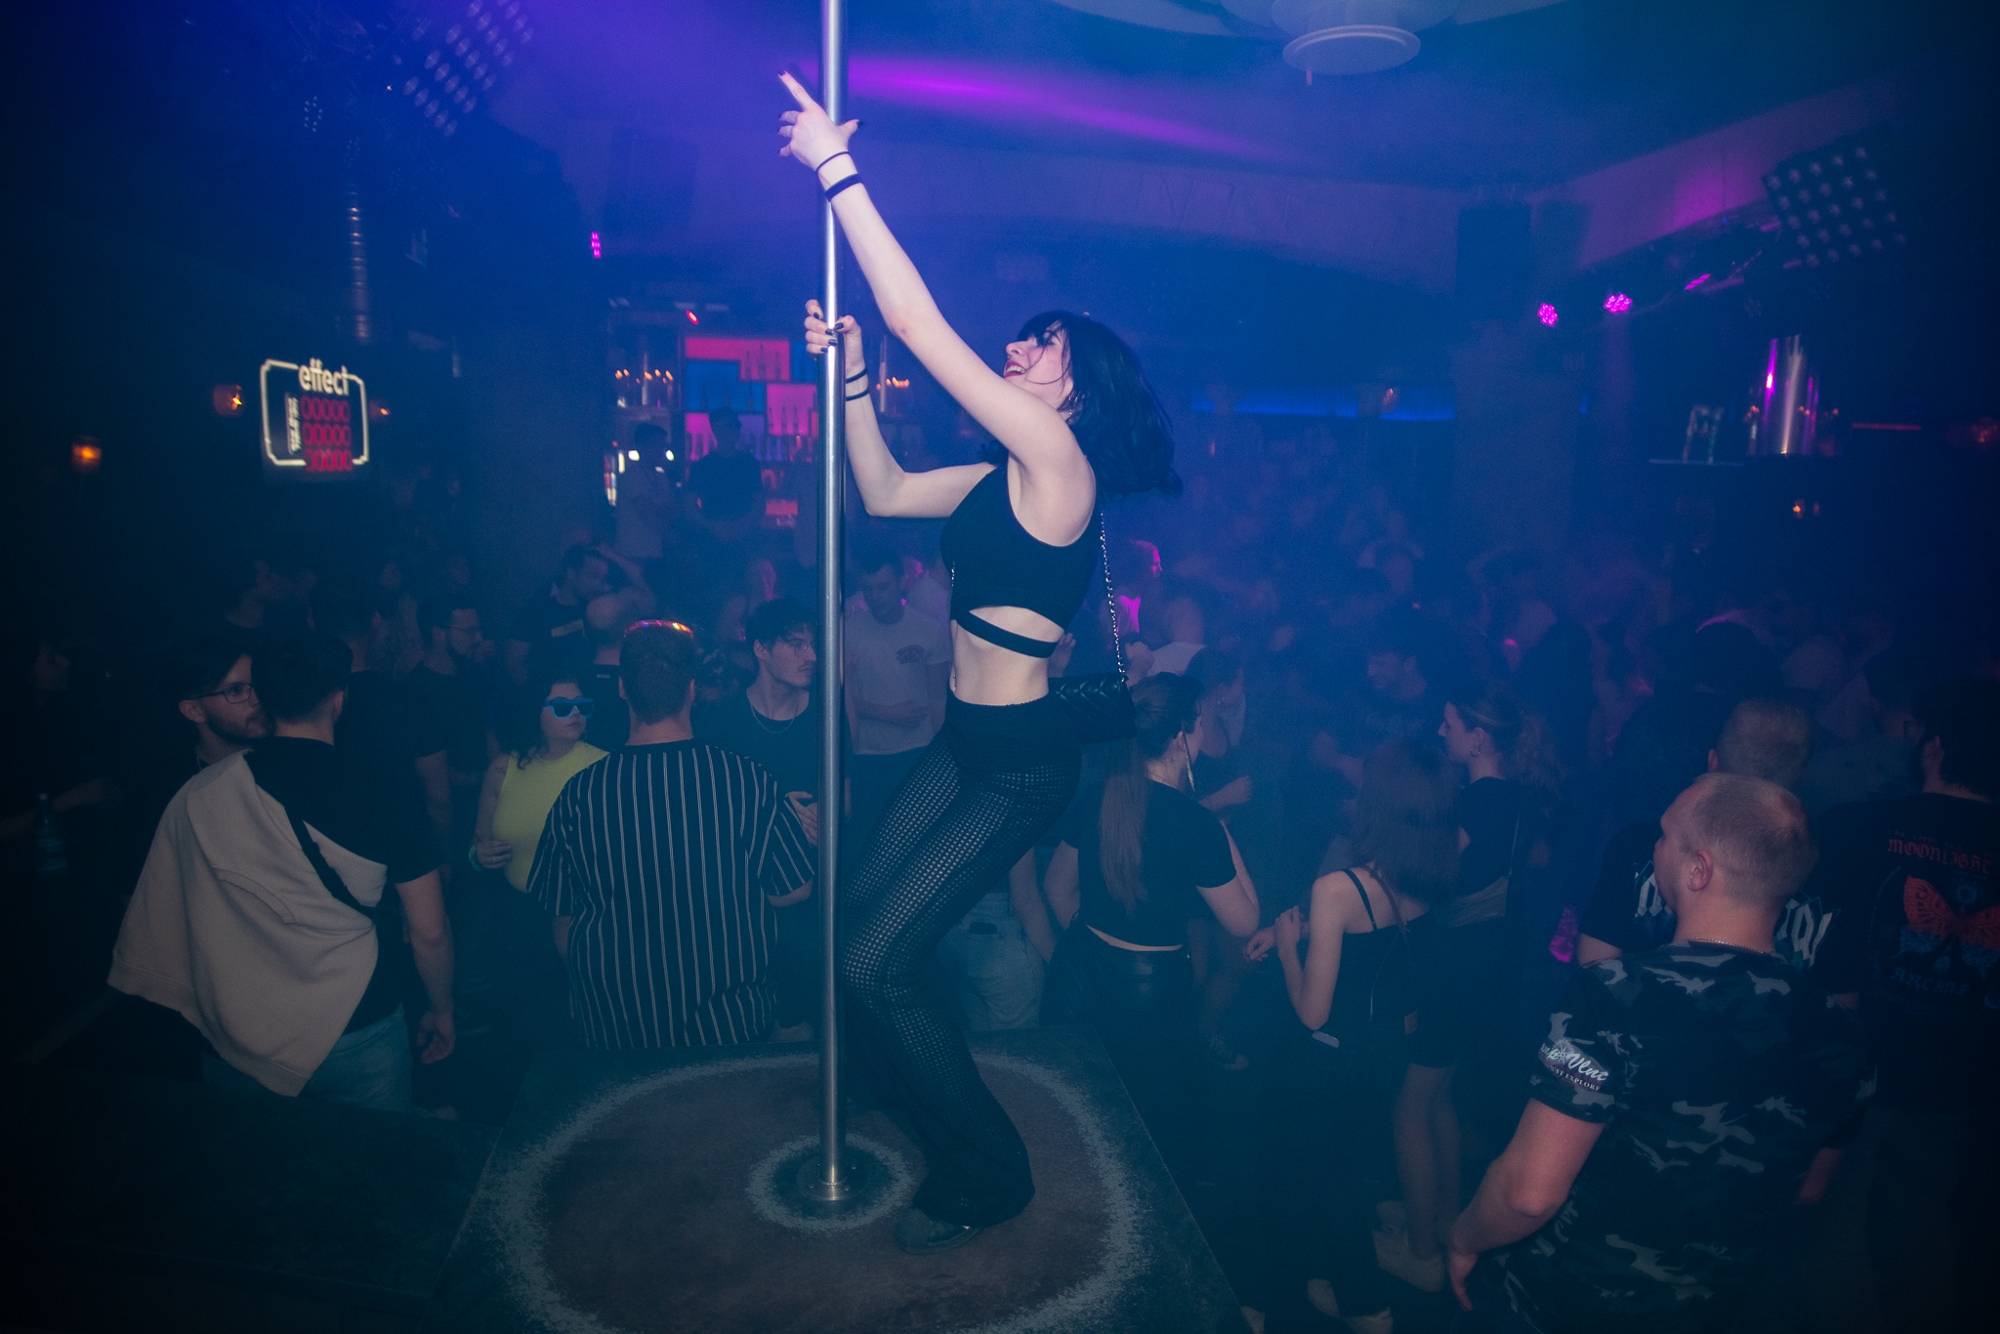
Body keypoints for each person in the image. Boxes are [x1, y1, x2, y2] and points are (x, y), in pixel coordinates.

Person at [783, 72, 1182, 1255]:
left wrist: (836, 169)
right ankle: (903, 1087)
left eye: (1037, 341)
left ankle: (987, 1172)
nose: (1014, 345)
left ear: (1074, 385)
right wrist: (850, 370)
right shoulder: (1002, 475)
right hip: (959, 739)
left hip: (1017, 764)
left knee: (876, 962)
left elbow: (924, 325)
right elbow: (880, 489)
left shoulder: (1059, 465)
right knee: (859, 927)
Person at [1446, 774, 1872, 1334]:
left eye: (1666, 835)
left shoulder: (1614, 996)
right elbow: (1810, 1189)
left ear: (1699, 870)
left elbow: (1528, 1194)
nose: (1655, 846)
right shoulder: (1844, 1033)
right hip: (1717, 1309)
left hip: (1565, 1303)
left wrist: (1463, 1238)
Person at [108, 632, 454, 1112]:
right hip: (355, 1021)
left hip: (237, 1030)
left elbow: (162, 915)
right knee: (371, 1156)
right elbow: (430, 932)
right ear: (338, 700)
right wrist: (442, 1008)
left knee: (254, 1158)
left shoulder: (201, 792)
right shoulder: (383, 789)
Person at [1811, 679, 2000, 1332]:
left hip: (1857, 1066)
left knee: (1833, 1227)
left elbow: (1826, 951)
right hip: (1957, 1078)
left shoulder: (1860, 827)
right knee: (1920, 1219)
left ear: (1935, 746)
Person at [528, 621, 815, 1048]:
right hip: (726, 1026)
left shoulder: (579, 794)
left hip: (615, 1027)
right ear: (692, 689)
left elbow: (562, 915)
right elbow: (795, 890)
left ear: (622, 689)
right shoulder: (745, 780)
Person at [1253, 737, 1451, 1334]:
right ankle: (1353, 1298)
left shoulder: (1338, 887)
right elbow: (1375, 947)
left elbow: (1313, 1013)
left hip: (1329, 1059)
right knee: (1339, 1171)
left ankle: (1341, 1304)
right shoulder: (1431, 871)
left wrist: (1288, 949)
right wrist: (1310, 933)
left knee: (1298, 1177)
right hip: (1384, 1051)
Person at [1380, 681, 1565, 1293]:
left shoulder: (1479, 800)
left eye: (1451, 724)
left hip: (1456, 969)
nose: (1441, 732)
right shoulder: (1514, 794)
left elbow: (1440, 879)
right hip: (1485, 966)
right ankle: (1437, 1216)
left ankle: (1421, 1252)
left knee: (1411, 1105)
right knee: (1441, 1098)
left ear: (1479, 737)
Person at [1042, 674, 1258, 1179]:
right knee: (1153, 1138)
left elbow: (1055, 889)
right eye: (1200, 724)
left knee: (1078, 1119)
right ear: (1181, 738)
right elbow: (1245, 920)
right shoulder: (1197, 823)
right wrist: (1220, 828)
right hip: (1149, 998)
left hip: (1077, 976)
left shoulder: (1098, 794)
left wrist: (1093, 942)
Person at [1577, 698, 1818, 967]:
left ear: (1712, 762)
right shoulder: (1822, 871)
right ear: (1800, 780)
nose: (1660, 844)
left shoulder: (1638, 845)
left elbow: (1594, 967)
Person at [693, 596, 828, 1040]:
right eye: (796, 644)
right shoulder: (721, 721)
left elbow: (846, 802)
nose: (811, 655)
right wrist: (773, 808)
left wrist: (826, 814)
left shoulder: (825, 715)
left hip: (811, 892)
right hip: (740, 895)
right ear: (761, 649)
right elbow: (704, 812)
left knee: (802, 1021)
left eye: (813, 644)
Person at [473, 675, 609, 1047]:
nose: (576, 714)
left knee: (571, 1028)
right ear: (536, 711)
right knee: (519, 1024)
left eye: (583, 706)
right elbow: (478, 842)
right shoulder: (503, 767)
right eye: (563, 707)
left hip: (580, 917)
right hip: (515, 915)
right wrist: (479, 855)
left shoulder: (603, 766)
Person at [844, 544, 950, 838]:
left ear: (902, 582)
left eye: (883, 587)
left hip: (917, 752)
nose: (875, 596)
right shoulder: (847, 631)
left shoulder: (928, 629)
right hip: (867, 754)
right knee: (869, 839)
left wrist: (943, 753)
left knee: (917, 839)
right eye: (868, 589)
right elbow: (835, 701)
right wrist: (886, 713)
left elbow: (938, 697)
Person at [403, 595, 494, 858]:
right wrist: (443, 855)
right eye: (469, 631)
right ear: (438, 633)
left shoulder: (471, 673)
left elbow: (484, 730)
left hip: (484, 802)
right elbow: (437, 796)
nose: (478, 638)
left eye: (478, 630)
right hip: (450, 817)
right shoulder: (416, 691)